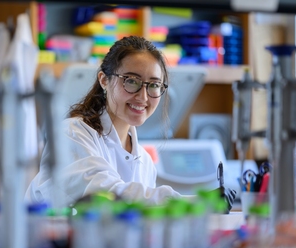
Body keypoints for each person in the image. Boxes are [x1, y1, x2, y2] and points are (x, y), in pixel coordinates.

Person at [25, 36, 236, 210]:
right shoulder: (72, 135)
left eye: (153, 85)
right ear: (104, 80)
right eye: (132, 81)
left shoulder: (144, 161)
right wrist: (195, 201)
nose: (143, 97)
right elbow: (105, 196)